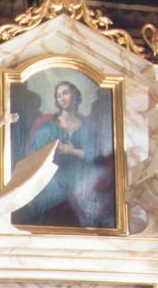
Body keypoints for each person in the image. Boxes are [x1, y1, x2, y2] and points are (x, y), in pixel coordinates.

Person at [19, 77, 116, 229]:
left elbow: (95, 156)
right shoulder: (46, 129)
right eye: (59, 95)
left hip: (80, 186)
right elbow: (33, 159)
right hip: (53, 185)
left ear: (75, 95)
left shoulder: (86, 128)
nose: (62, 98)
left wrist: (73, 151)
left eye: (65, 93)